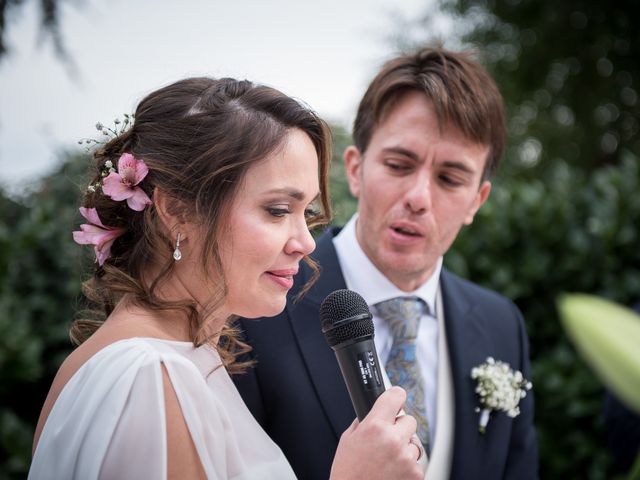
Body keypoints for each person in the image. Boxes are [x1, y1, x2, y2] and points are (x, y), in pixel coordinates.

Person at [29, 77, 425, 480]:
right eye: (276, 210)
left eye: (305, 212)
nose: (306, 243)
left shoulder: (171, 361)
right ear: (177, 209)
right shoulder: (148, 377)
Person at [234, 47, 539, 479]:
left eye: (450, 179)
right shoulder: (255, 305)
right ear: (355, 169)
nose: (418, 198)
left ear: (478, 199)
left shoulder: (502, 324)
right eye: (398, 165)